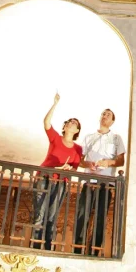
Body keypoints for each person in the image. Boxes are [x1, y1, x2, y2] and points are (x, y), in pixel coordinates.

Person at [32, 93, 82, 252]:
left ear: (77, 130)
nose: (71, 123)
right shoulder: (55, 138)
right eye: (69, 122)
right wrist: (55, 104)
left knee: (52, 216)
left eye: (74, 123)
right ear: (65, 127)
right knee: (39, 213)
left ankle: (47, 248)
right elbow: (46, 122)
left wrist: (68, 169)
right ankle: (35, 246)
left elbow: (75, 168)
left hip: (61, 183)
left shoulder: (78, 148)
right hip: (44, 177)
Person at [74, 109, 125, 256]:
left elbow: (121, 161)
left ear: (112, 121)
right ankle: (78, 250)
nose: (105, 116)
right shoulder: (89, 137)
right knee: (82, 215)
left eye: (108, 114)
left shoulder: (116, 138)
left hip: (106, 183)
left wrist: (108, 162)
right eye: (103, 113)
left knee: (100, 218)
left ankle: (95, 251)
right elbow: (80, 160)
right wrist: (88, 164)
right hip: (89, 182)